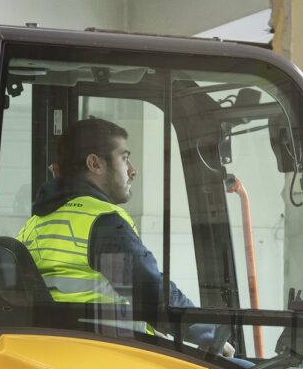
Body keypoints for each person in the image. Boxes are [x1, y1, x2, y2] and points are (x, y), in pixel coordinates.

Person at [18, 115, 196, 329]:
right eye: (124, 158)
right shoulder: (103, 224)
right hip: (111, 350)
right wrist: (210, 334)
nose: (132, 170)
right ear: (95, 164)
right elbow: (154, 296)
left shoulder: (36, 223)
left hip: (67, 345)